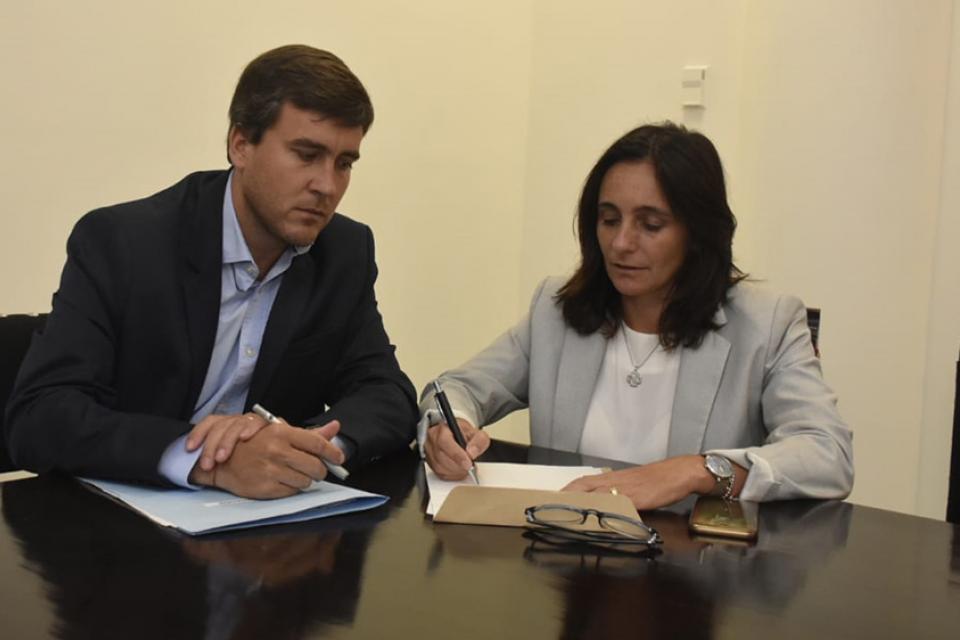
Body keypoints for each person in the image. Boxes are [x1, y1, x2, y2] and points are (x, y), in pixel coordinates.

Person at [4, 45, 418, 499]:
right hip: (115, 521)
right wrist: (206, 458)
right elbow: (40, 416)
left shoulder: (343, 251)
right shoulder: (123, 244)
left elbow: (387, 392)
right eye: (306, 155)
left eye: (344, 164)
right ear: (240, 145)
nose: (327, 185)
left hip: (263, 524)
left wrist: (302, 449)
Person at [420, 123, 853, 510]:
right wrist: (450, 427)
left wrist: (698, 470)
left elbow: (827, 453)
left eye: (650, 225)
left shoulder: (768, 323)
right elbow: (456, 389)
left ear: (698, 233)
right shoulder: (556, 309)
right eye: (609, 220)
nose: (621, 243)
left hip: (696, 564)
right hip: (567, 550)